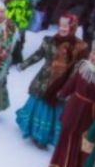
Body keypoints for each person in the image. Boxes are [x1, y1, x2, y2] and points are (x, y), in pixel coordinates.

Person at [15, 15, 87, 150]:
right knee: (39, 103)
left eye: (65, 26)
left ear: (72, 28)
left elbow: (78, 68)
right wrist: (23, 65)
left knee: (53, 108)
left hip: (61, 82)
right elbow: (38, 55)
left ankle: (44, 136)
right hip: (44, 79)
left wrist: (70, 85)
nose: (62, 29)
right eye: (60, 25)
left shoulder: (79, 47)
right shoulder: (49, 41)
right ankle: (34, 132)